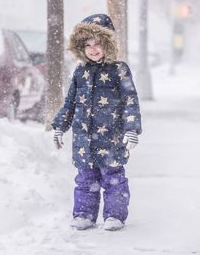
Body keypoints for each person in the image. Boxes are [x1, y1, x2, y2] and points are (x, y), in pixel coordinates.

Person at [52, 14, 142, 231]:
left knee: (113, 178)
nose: (93, 49)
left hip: (110, 137)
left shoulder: (119, 69)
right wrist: (59, 127)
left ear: (108, 44)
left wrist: (132, 129)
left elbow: (130, 100)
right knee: (85, 179)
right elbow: (70, 102)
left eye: (98, 43)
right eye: (87, 44)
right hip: (83, 139)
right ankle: (84, 214)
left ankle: (114, 215)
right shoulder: (80, 71)